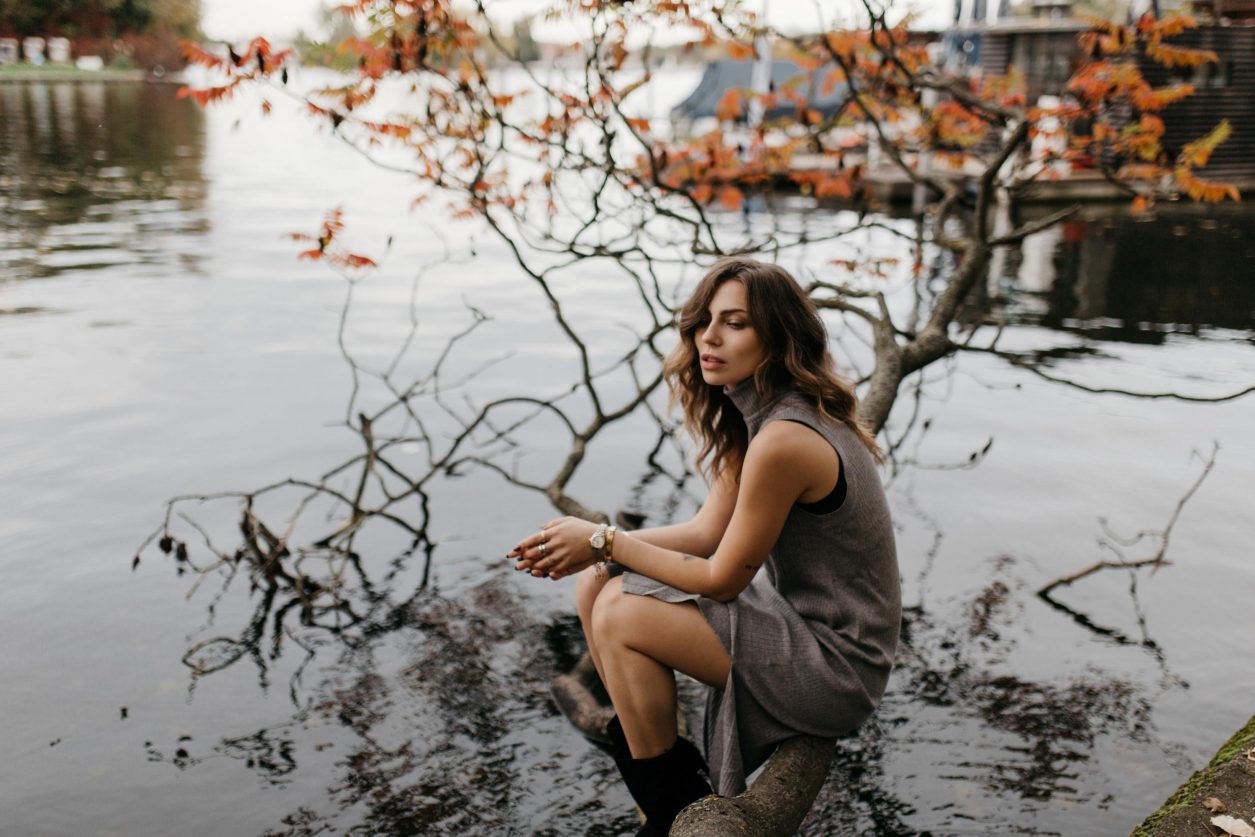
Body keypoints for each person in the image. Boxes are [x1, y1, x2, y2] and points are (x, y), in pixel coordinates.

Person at [508, 257, 900, 834]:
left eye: (735, 323)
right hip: (802, 625)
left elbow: (722, 578)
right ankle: (659, 771)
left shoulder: (785, 438)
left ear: (780, 336)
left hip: (837, 669)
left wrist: (601, 536)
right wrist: (594, 553)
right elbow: (705, 533)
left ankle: (670, 806)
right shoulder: (761, 420)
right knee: (601, 583)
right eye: (701, 322)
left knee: (619, 611)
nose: (707, 338)